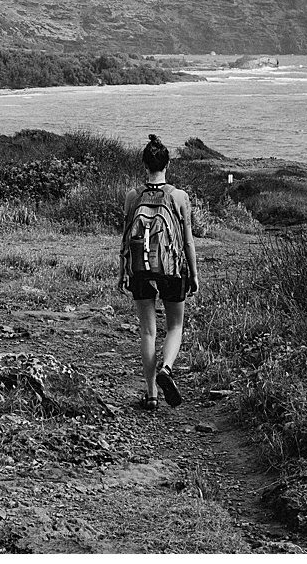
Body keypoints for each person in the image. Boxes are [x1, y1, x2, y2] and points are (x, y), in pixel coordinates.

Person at [119, 134, 199, 408]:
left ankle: (151, 395)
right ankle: (166, 368)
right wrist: (195, 274)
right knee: (175, 326)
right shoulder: (179, 196)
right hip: (171, 268)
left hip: (139, 269)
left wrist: (122, 272)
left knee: (147, 332)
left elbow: (125, 238)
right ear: (168, 164)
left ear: (144, 165)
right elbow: (187, 239)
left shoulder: (133, 196)